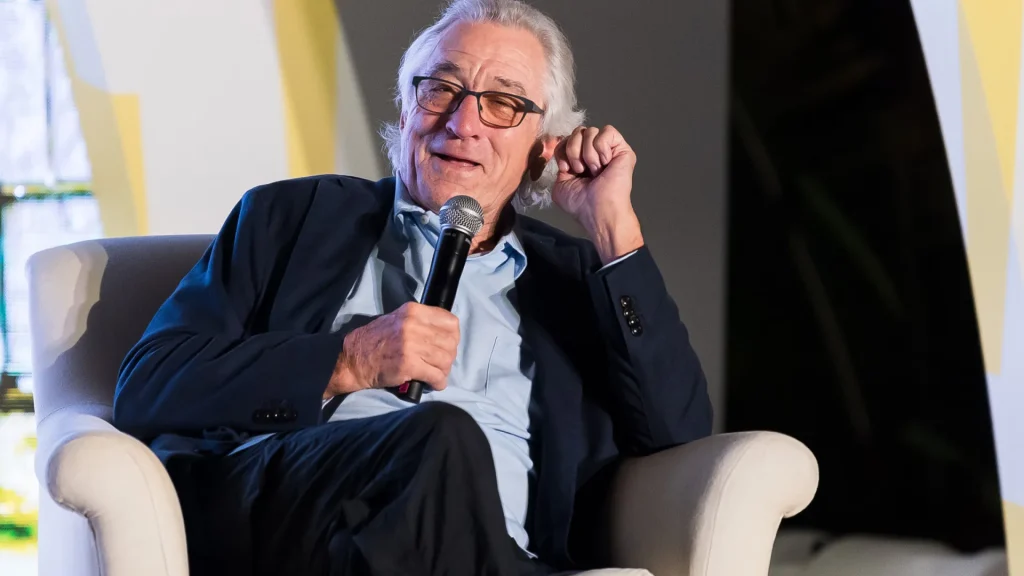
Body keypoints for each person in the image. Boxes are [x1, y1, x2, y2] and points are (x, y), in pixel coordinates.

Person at [113, 0, 712, 574]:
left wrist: (614, 227)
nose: (463, 123)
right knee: (442, 437)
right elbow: (148, 384)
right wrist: (346, 361)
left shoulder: (577, 280)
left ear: (543, 151)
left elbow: (678, 432)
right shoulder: (294, 217)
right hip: (302, 521)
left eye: (503, 104)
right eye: (441, 90)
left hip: (493, 555)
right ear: (405, 112)